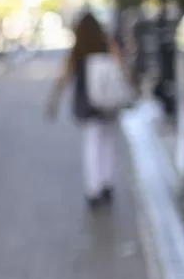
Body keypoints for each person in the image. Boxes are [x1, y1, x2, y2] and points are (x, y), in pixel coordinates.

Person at [46, 11, 128, 208]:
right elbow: (122, 67)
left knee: (93, 144)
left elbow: (64, 77)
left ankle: (94, 188)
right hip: (108, 102)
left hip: (88, 103)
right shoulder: (106, 44)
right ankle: (107, 183)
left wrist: (53, 102)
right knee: (108, 142)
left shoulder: (79, 50)